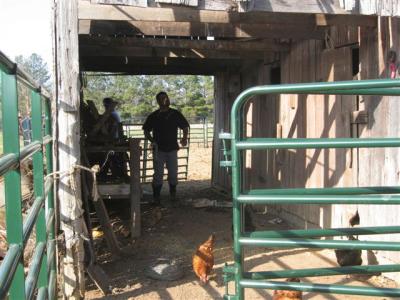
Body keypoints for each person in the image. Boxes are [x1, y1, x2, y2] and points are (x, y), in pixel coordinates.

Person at [143, 91, 189, 205]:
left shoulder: (175, 114)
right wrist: (152, 141)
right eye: (162, 98)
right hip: (159, 150)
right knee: (158, 174)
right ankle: (156, 197)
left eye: (166, 97)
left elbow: (184, 126)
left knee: (173, 173)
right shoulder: (154, 116)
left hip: (172, 149)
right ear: (158, 101)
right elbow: (146, 130)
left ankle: (173, 194)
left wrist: (184, 138)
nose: (165, 100)